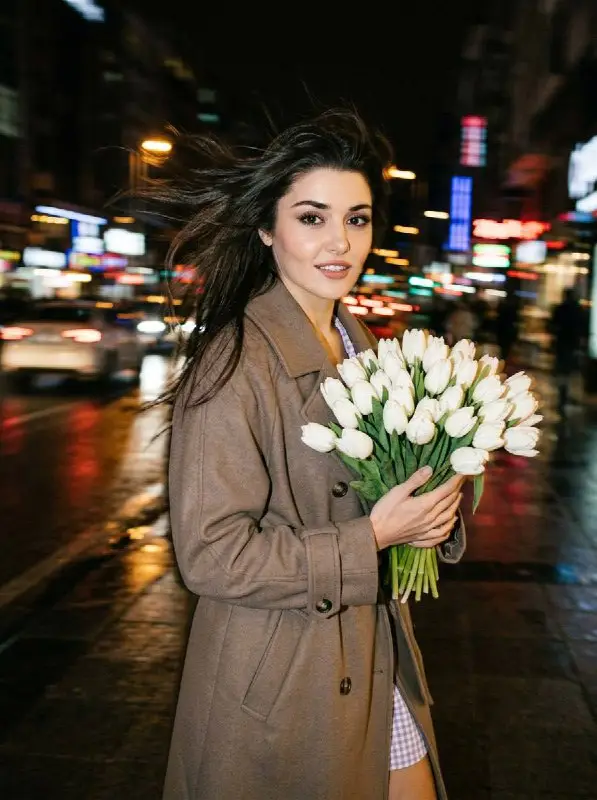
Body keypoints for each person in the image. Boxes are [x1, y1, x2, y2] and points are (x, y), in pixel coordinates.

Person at [159, 109, 466, 800]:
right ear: (268, 230)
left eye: (356, 219)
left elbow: (375, 485)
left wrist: (430, 509)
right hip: (282, 680)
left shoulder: (363, 347)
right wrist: (374, 538)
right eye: (311, 217)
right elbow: (211, 554)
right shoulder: (234, 361)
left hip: (369, 654)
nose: (339, 242)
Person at [549, 287, 587, 415]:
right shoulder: (579, 310)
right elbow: (583, 328)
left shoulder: (560, 309)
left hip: (562, 343)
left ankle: (562, 394)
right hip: (573, 344)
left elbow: (552, 325)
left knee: (562, 370)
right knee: (570, 370)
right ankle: (566, 394)